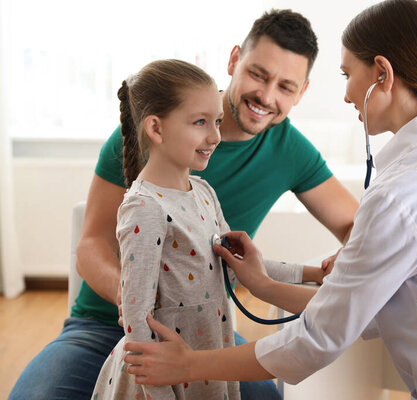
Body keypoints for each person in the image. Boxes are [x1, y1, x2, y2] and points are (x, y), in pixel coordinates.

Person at [121, 1, 417, 399]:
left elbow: (318, 338)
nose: (346, 95)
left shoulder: (406, 192)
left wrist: (189, 365)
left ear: (381, 73)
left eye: (347, 75)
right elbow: (366, 306)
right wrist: (264, 284)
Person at [8, 9, 358, 400]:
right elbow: (90, 247)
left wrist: (336, 267)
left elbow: (354, 225)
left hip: (203, 328)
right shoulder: (143, 135)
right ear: (234, 59)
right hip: (105, 325)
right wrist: (134, 298)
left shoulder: (288, 152)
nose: (267, 95)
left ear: (302, 92)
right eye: (258, 74)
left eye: (285, 87)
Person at [92, 59, 243, 400]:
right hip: (163, 378)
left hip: (204, 357)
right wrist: (159, 393)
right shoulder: (145, 208)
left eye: (217, 121)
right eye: (201, 122)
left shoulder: (204, 192)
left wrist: (315, 274)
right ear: (156, 129)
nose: (216, 136)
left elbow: (238, 272)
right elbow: (135, 321)